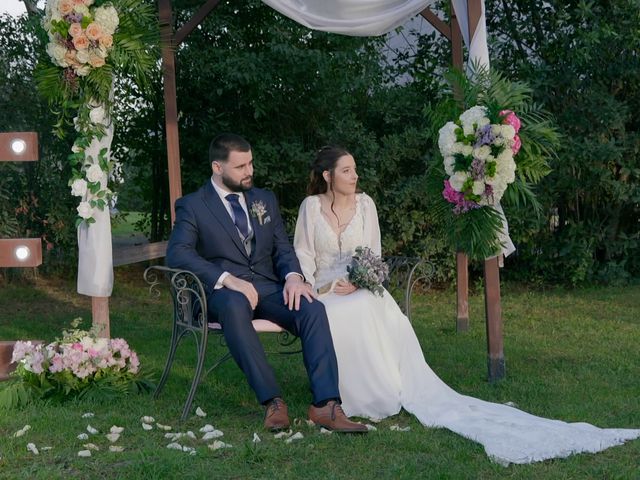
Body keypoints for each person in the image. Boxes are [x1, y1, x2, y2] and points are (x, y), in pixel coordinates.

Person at [293, 145, 640, 465]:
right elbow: (304, 254)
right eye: (347, 171)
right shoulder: (311, 207)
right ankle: (338, 399)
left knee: (366, 305)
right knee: (334, 312)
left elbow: (374, 254)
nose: (355, 176)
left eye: (355, 170)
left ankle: (377, 394)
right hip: (322, 288)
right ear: (328, 176)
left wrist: (359, 281)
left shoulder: (366, 204)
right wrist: (319, 285)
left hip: (359, 282)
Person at [166, 134, 367, 433]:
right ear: (217, 168)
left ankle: (325, 405)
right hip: (222, 293)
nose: (249, 171)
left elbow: (282, 248)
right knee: (234, 306)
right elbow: (177, 252)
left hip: (267, 287)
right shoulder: (193, 205)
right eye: (240, 166)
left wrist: (294, 278)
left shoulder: (264, 199)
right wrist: (227, 279)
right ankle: (273, 401)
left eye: (251, 163)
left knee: (312, 308)